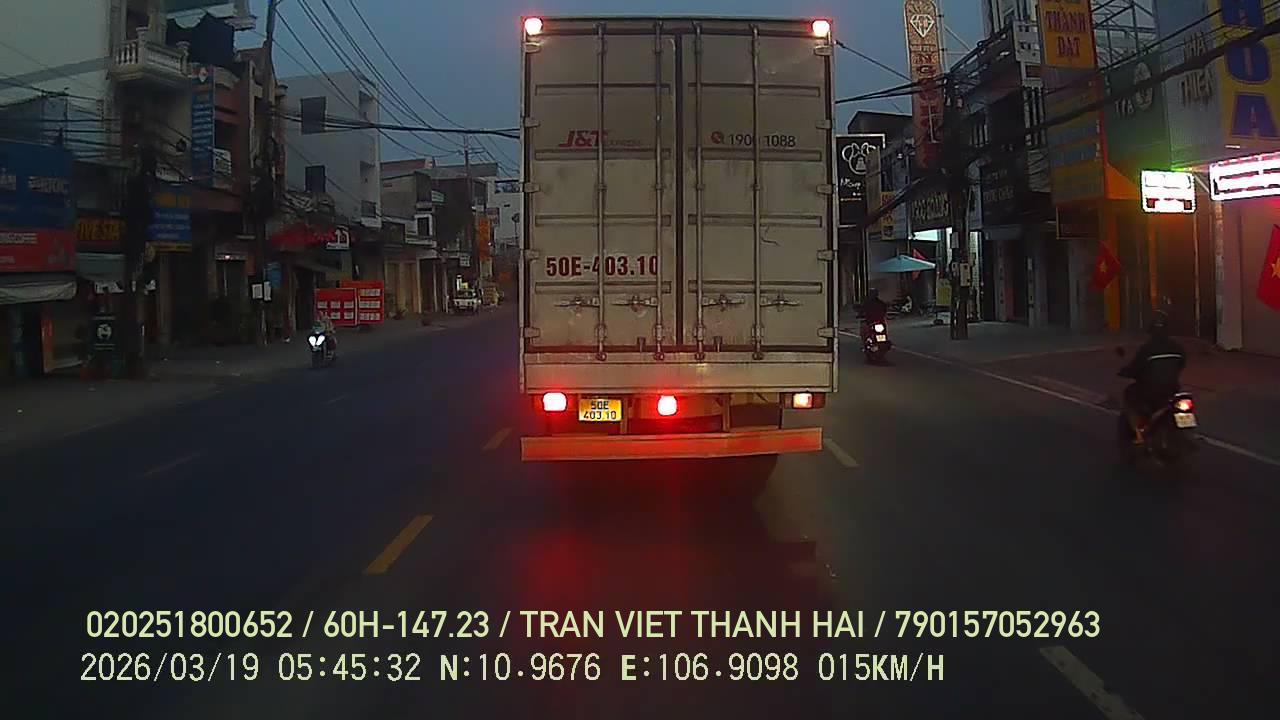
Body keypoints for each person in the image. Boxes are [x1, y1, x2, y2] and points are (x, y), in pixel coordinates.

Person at [1119, 311, 1185, 442]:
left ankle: (1138, 432)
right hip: (1172, 389)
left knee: (1129, 393)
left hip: (1150, 390)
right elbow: (1182, 363)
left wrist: (1126, 372)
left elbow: (1136, 367)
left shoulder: (1147, 349)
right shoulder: (1177, 347)